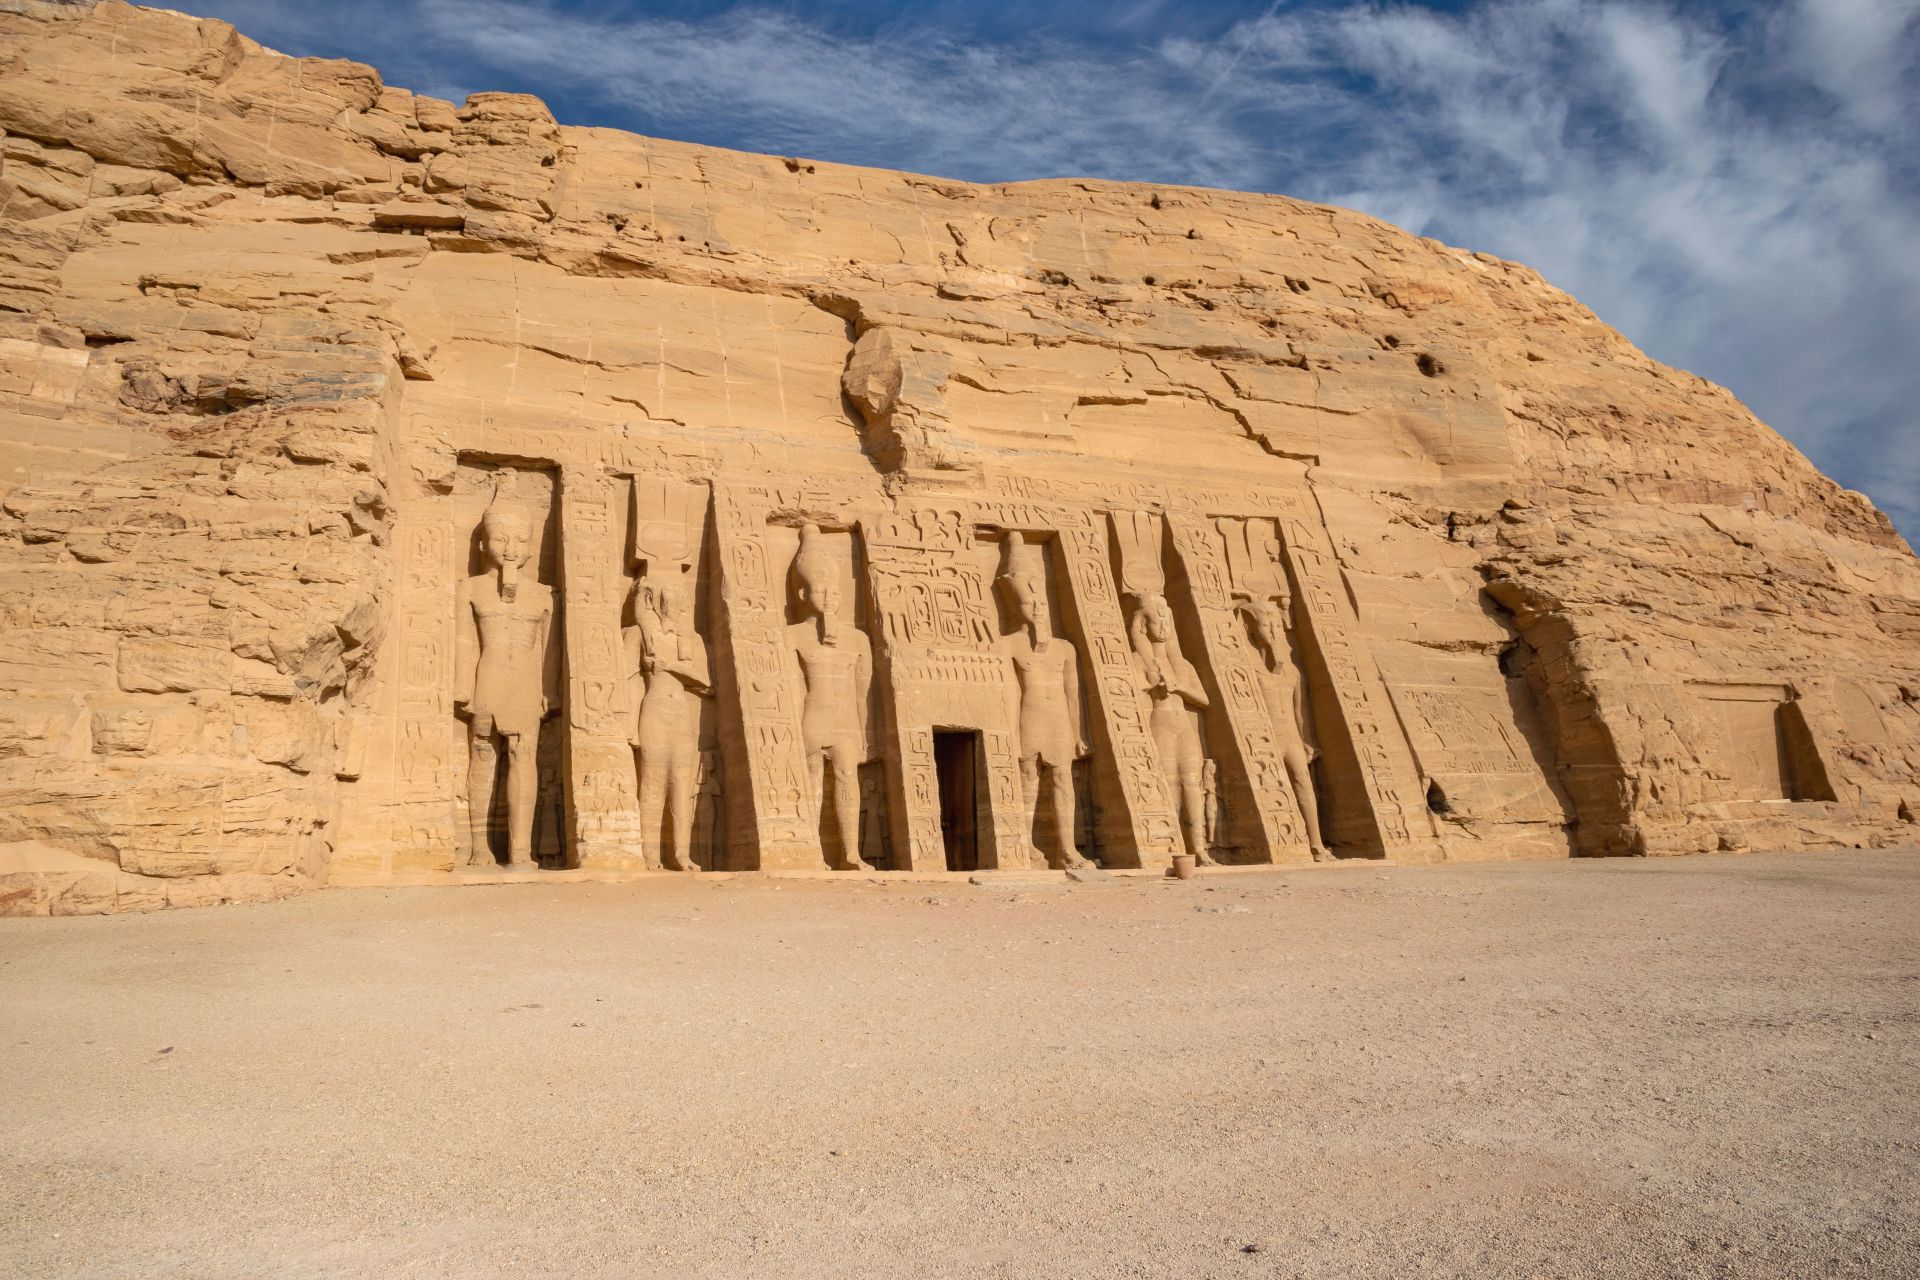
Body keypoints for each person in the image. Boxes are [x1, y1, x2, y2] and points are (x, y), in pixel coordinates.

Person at [454, 499, 557, 869]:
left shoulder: (543, 594)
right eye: (501, 539)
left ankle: (519, 851)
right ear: (484, 544)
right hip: (489, 676)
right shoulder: (470, 589)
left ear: (530, 547)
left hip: (527, 682)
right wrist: (462, 687)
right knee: (482, 754)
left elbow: (548, 648)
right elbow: (464, 642)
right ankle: (479, 847)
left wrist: (550, 690)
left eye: (520, 541)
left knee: (523, 757)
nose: (511, 549)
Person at [998, 538, 1091, 870]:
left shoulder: (1065, 649)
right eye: (1028, 602)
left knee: (1064, 780)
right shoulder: (1009, 645)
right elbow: (1008, 694)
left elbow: (1072, 695)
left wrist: (1079, 733)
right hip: (1030, 717)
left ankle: (1067, 849)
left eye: (1040, 602)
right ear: (1016, 607)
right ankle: (1026, 845)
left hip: (1059, 720)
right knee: (1029, 777)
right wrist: (1009, 734)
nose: (1037, 608)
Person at [790, 524, 872, 871]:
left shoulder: (857, 639)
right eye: (820, 591)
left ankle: (850, 853)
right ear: (802, 594)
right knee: (810, 780)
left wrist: (867, 735)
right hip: (813, 717)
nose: (829, 598)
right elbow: (791, 689)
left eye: (834, 592)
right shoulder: (793, 636)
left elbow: (863, 693)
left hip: (846, 721)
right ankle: (814, 853)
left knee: (847, 778)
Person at [627, 569, 711, 872]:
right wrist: (628, 726)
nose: (676, 605)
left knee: (681, 784)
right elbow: (625, 677)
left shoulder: (691, 639)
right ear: (653, 600)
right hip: (653, 711)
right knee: (651, 781)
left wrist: (670, 666)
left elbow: (706, 683)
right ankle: (649, 855)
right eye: (670, 598)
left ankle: (681, 855)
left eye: (680, 599)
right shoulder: (637, 634)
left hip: (681, 716)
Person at [1239, 594, 1330, 861]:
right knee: (1271, 787)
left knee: (1304, 784)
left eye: (1277, 625)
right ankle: (1285, 845)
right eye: (1266, 625)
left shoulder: (1292, 671)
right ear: (1249, 628)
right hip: (1265, 738)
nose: (1273, 630)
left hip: (1291, 736)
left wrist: (1307, 739)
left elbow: (1300, 712)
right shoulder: (1248, 667)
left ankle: (1316, 844)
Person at [1129, 590, 1212, 864]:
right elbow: (1128, 692)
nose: (1163, 626)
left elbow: (1204, 699)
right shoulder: (1138, 659)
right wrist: (1150, 683)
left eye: (1167, 619)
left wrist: (1179, 687)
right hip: (1160, 724)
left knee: (1192, 784)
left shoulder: (1182, 664)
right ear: (1144, 625)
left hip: (1184, 727)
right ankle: (1173, 846)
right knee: (1167, 784)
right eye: (1157, 620)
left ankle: (1199, 849)